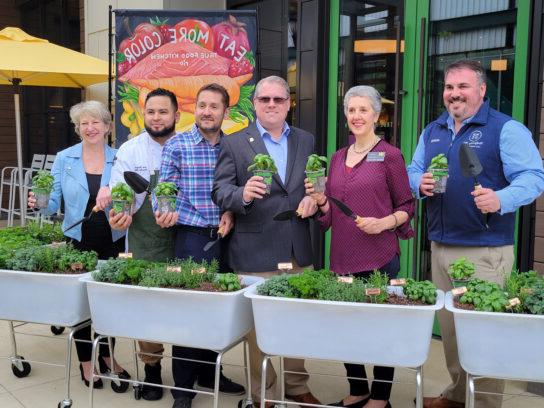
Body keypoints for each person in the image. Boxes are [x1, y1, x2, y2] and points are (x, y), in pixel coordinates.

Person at [407, 59, 544, 408]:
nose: (455, 94)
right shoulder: (433, 129)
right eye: (450, 87)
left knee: (484, 337)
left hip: (484, 249)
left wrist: (500, 198)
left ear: (481, 90)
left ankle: (483, 403)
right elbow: (414, 169)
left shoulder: (506, 129)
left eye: (463, 87)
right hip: (439, 245)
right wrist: (417, 183)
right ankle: (456, 394)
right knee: (451, 330)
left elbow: (533, 178)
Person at [212, 75, 321, 408]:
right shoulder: (233, 142)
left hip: (297, 247)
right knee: (257, 329)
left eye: (279, 99)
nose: (272, 105)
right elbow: (220, 190)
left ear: (289, 104)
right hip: (253, 249)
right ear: (254, 103)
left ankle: (296, 385)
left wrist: (316, 198)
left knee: (298, 324)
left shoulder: (306, 140)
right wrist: (241, 194)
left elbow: (313, 184)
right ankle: (264, 389)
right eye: (265, 100)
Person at [307, 85, 414, 408]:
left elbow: (408, 205)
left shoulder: (390, 156)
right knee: (345, 330)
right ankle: (358, 389)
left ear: (377, 115)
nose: (356, 116)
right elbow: (331, 214)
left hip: (380, 256)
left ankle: (380, 398)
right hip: (341, 256)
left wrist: (384, 222)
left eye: (363, 110)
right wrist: (322, 203)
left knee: (380, 331)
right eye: (351, 110)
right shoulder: (338, 157)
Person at [155, 83, 246, 408]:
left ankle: (211, 374)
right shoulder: (178, 144)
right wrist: (163, 208)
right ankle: (183, 390)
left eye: (214, 106)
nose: (207, 111)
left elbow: (237, 189)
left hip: (228, 238)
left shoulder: (235, 145)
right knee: (189, 313)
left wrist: (232, 212)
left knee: (219, 312)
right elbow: (164, 185)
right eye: (202, 105)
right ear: (195, 108)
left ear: (226, 111)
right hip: (191, 238)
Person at [28, 100, 128, 388]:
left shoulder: (119, 158)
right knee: (81, 303)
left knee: (109, 302)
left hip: (114, 238)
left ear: (108, 127)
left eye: (96, 122)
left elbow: (128, 199)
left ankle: (107, 357)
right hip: (77, 238)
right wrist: (39, 203)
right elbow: (53, 204)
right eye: (84, 123)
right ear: (77, 128)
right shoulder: (64, 158)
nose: (90, 127)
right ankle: (87, 363)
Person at [108, 88, 180, 401]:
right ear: (143, 114)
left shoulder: (189, 145)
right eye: (151, 111)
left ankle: (199, 370)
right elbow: (118, 191)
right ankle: (152, 371)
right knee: (148, 308)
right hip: (143, 239)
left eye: (163, 111)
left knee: (189, 306)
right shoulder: (130, 149)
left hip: (184, 237)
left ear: (177, 115)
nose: (156, 117)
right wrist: (119, 214)